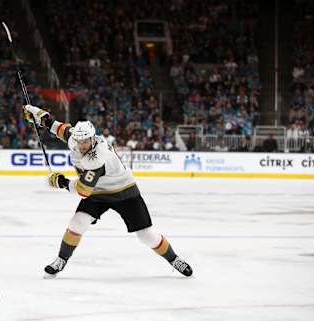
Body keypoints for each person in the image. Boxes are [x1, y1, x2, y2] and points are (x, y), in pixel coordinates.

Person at [23, 105, 193, 279]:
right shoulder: (77, 138)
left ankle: (174, 259)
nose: (82, 145)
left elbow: (83, 191)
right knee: (77, 223)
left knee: (146, 235)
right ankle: (61, 260)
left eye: (85, 142)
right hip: (99, 193)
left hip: (124, 191)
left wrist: (61, 182)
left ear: (93, 140)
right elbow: (61, 129)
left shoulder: (98, 158)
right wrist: (43, 118)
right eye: (79, 141)